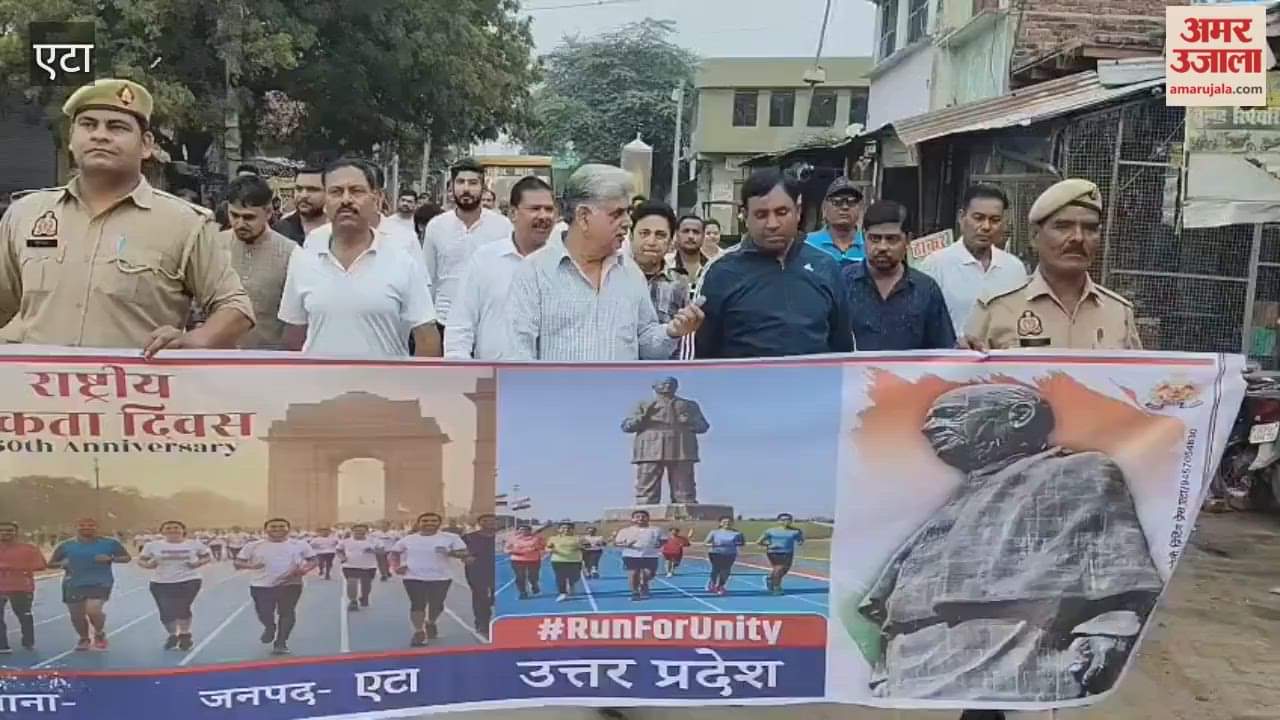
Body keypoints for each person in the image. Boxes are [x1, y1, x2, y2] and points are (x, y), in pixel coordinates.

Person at [857, 384, 1163, 703]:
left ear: (1019, 415)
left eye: (949, 415)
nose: (927, 427)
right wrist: (885, 665)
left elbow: (1116, 556)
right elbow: (904, 585)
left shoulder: (1077, 471)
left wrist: (1110, 626)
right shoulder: (957, 501)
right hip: (914, 659)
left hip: (1011, 640)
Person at [0, 79, 253, 355]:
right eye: (88, 125)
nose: (100, 135)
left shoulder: (184, 224)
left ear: (146, 145)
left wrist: (195, 341)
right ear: (71, 139)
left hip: (136, 395)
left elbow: (236, 308)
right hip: (38, 393)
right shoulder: (26, 215)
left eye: (116, 127)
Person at [506, 164, 703, 360]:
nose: (627, 222)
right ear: (583, 217)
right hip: (556, 392)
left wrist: (671, 332)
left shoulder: (630, 272)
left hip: (622, 392)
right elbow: (519, 356)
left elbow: (645, 345)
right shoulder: (534, 272)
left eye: (627, 212)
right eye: (617, 214)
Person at [278, 157, 441, 358]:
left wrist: (413, 387)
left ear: (376, 199)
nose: (346, 200)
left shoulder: (402, 261)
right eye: (336, 192)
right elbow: (294, 335)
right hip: (321, 385)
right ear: (326, 201)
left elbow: (427, 337)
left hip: (384, 386)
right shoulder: (304, 259)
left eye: (356, 191)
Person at [961, 179, 1142, 351]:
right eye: (1063, 226)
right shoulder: (996, 309)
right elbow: (968, 380)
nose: (1078, 237)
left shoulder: (1118, 313)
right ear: (1034, 236)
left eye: (1090, 228)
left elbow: (1136, 380)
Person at [696, 169, 854, 359]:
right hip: (743, 386)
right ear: (745, 216)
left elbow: (842, 350)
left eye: (781, 212)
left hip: (813, 386)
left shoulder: (826, 267)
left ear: (798, 211)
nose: (772, 224)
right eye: (761, 215)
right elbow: (705, 354)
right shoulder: (720, 273)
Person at [444, 177, 556, 360]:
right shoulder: (485, 259)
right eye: (535, 209)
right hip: (492, 379)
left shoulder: (563, 263)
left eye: (549, 209)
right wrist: (461, 372)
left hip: (548, 380)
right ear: (513, 214)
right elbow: (461, 324)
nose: (544, 216)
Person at [843, 201, 955, 351]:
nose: (882, 247)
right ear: (864, 237)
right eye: (875, 238)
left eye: (891, 239)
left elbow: (943, 349)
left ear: (908, 240)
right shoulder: (842, 283)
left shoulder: (926, 290)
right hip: (853, 374)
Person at [919, 184, 1028, 335]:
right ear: (961, 217)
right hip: (953, 357)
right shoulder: (935, 265)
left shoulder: (1014, 267)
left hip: (1002, 357)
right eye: (978, 218)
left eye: (995, 220)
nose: (986, 227)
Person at [421, 159, 513, 331]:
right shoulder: (436, 226)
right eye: (460, 182)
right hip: (444, 320)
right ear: (452, 187)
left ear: (483, 187)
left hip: (489, 323)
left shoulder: (503, 226)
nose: (466, 189)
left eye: (473, 183)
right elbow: (428, 278)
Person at [217, 174, 297, 350]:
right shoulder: (214, 246)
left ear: (268, 212)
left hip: (269, 362)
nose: (239, 223)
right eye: (234, 215)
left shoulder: (291, 253)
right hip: (217, 359)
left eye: (249, 217)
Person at [622, 377, 711, 505]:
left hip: (681, 447)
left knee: (684, 483)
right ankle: (645, 507)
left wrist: (690, 422)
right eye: (663, 383)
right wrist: (641, 418)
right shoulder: (644, 405)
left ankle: (685, 507)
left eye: (671, 383)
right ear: (654, 387)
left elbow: (703, 427)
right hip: (650, 447)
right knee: (647, 481)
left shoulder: (689, 405)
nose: (668, 386)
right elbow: (627, 427)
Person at [234, 517, 316, 656]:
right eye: (273, 527)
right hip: (261, 585)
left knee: (287, 612)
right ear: (266, 529)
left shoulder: (300, 544)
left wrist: (305, 569)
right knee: (264, 613)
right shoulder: (253, 546)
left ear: (288, 529)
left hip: (290, 583)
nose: (278, 529)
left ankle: (281, 643)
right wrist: (251, 566)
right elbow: (238, 563)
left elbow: (313, 560)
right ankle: (270, 627)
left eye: (281, 526)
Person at [48, 517, 131, 651]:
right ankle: (84, 638)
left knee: (93, 609)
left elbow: (126, 558)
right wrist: (61, 564)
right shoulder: (66, 545)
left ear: (97, 527)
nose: (87, 527)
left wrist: (111, 558)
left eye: (91, 525)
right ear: (76, 527)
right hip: (73, 582)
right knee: (76, 615)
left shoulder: (109, 543)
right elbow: (51, 564)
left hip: (100, 581)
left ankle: (99, 633)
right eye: (82, 525)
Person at [390, 512, 468, 648]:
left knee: (437, 604)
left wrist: (449, 553)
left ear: (439, 523)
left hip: (441, 577)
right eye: (425, 521)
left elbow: (464, 553)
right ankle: (419, 632)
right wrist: (396, 567)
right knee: (417, 604)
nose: (429, 523)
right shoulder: (408, 539)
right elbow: (394, 553)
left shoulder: (450, 538)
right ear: (419, 523)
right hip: (413, 576)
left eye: (433, 521)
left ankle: (431, 622)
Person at [629, 202, 694, 360]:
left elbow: (684, 340)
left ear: (671, 240)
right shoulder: (613, 277)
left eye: (660, 235)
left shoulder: (679, 284)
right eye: (644, 233)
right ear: (631, 236)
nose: (651, 241)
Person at [136, 520, 211, 651]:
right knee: (166, 612)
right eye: (168, 528)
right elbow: (142, 560)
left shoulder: (194, 544)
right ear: (162, 531)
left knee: (182, 607)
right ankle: (172, 635)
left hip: (189, 580)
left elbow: (206, 557)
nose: (173, 530)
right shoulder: (152, 545)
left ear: (183, 530)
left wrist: (197, 564)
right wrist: (147, 565)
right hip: (161, 582)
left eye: (176, 528)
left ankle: (185, 634)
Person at [0, 521, 46, 653]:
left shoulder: (28, 549)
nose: (5, 533)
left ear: (16, 532)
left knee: (23, 615)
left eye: (9, 530)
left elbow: (41, 565)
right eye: (2, 530)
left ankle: (28, 640)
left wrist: (14, 567)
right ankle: (2, 645)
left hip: (20, 587)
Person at [806, 177, 865, 266]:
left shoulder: (870, 244)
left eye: (851, 202)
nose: (845, 207)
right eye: (837, 201)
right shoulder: (807, 244)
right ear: (824, 208)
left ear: (860, 208)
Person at [613, 510, 666, 601]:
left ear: (648, 518)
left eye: (643, 516)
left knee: (649, 574)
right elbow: (616, 543)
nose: (640, 518)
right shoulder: (625, 531)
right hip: (631, 555)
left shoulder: (656, 529)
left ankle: (644, 583)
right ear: (633, 519)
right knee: (633, 573)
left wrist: (660, 544)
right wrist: (626, 545)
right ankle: (635, 592)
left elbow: (664, 539)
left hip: (650, 555)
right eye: (637, 517)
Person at [461, 514, 498, 637]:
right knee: (480, 597)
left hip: (495, 570)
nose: (489, 523)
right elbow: (457, 550)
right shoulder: (468, 537)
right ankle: (482, 624)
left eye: (492, 521)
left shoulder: (499, 537)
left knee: (494, 597)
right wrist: (465, 557)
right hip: (476, 571)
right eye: (485, 521)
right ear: (479, 523)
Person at [273, 167, 328, 245]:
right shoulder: (279, 231)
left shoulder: (341, 230)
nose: (303, 195)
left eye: (312, 189)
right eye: (299, 189)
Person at [757, 513, 804, 595]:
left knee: (784, 570)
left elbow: (800, 540)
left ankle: (770, 578)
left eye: (788, 519)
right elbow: (759, 541)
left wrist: (800, 541)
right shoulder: (770, 531)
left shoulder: (795, 531)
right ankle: (776, 587)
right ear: (778, 521)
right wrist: (768, 544)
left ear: (791, 521)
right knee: (779, 568)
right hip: (773, 552)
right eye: (783, 520)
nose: (785, 521)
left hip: (788, 552)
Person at [338, 524, 379, 611]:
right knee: (352, 582)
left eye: (361, 531)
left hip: (368, 566)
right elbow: (339, 550)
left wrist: (373, 551)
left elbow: (382, 551)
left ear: (366, 531)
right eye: (357, 531)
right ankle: (353, 601)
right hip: (350, 565)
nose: (359, 532)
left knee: (366, 585)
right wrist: (342, 557)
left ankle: (364, 597)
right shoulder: (346, 541)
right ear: (353, 531)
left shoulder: (373, 541)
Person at [703, 516, 745, 595]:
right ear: (720, 523)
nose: (727, 523)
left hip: (730, 553)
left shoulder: (737, 533)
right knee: (716, 569)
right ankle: (712, 582)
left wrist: (733, 544)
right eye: (724, 522)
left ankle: (721, 586)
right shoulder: (714, 532)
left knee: (726, 570)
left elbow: (742, 543)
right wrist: (715, 544)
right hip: (715, 553)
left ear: (732, 523)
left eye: (729, 522)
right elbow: (705, 543)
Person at [669, 214, 711, 292]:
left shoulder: (712, 268)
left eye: (696, 232)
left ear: (703, 236)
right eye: (686, 231)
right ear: (677, 235)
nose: (691, 236)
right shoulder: (665, 266)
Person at [503, 524, 546, 599]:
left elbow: (543, 546)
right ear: (518, 530)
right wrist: (512, 551)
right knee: (520, 577)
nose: (523, 531)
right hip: (517, 560)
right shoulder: (513, 539)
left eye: (526, 529)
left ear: (529, 530)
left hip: (533, 559)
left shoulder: (536, 538)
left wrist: (536, 548)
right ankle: (522, 592)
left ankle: (534, 585)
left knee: (533, 576)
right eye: (521, 529)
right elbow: (506, 549)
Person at [546, 522, 585, 602]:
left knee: (575, 577)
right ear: (559, 529)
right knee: (560, 577)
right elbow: (547, 548)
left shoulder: (578, 538)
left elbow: (587, 546)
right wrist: (550, 550)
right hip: (558, 560)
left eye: (568, 528)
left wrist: (581, 547)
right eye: (563, 528)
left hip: (575, 560)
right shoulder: (553, 538)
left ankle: (572, 583)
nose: (566, 530)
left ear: (572, 529)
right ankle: (563, 593)